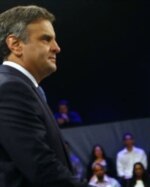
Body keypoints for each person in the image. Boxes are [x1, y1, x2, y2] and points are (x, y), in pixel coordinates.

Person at [0, 5, 88, 187]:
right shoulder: (11, 88)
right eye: (46, 39)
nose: (57, 48)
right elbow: (42, 168)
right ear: (15, 45)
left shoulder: (23, 87)